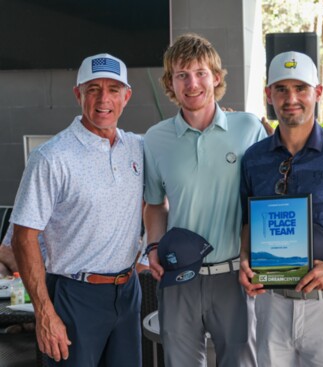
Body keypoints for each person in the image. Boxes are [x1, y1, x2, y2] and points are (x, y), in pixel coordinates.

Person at [239, 51, 323, 367]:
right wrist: (245, 258)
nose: (291, 98)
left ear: (318, 92)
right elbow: (248, 222)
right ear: (268, 94)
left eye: (300, 88)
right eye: (281, 89)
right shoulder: (254, 159)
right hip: (271, 304)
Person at [10, 53, 143, 366]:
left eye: (113, 89)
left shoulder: (137, 147)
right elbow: (23, 237)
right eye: (93, 88)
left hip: (128, 293)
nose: (103, 99)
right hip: (74, 295)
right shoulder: (51, 157)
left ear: (127, 96)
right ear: (77, 93)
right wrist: (44, 313)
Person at [143, 33, 267, 367]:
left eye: (200, 72)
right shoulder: (155, 139)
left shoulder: (248, 128)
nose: (192, 83)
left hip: (235, 276)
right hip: (178, 277)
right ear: (171, 83)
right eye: (181, 75)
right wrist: (153, 247)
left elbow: (264, 199)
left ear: (215, 76)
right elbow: (155, 203)